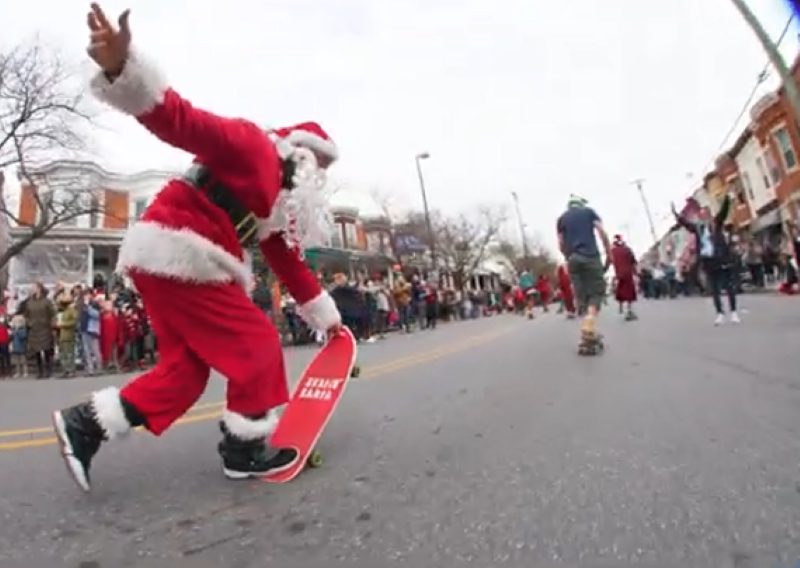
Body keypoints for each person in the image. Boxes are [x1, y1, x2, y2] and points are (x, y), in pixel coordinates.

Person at [51, 3, 342, 492]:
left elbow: (286, 263)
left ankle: (84, 426)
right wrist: (123, 69)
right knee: (257, 343)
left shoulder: (271, 209)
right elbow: (181, 120)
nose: (318, 178)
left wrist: (328, 320)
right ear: (297, 150)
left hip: (174, 262)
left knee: (184, 375)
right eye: (318, 165)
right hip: (181, 251)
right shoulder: (252, 145)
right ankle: (244, 450)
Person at [671, 196, 738, 325]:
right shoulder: (698, 229)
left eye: (705, 215)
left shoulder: (716, 224)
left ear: (709, 215)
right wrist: (676, 214)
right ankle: (720, 314)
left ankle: (734, 312)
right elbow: (686, 224)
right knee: (714, 290)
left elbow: (724, 211)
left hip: (722, 259)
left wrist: (727, 198)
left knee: (729, 287)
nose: (703, 218)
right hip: (709, 262)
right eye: (701, 216)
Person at [556, 195, 611, 345]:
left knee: (581, 296)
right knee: (596, 292)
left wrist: (568, 257)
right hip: (590, 256)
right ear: (580, 204)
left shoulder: (561, 219)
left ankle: (588, 330)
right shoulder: (588, 212)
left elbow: (560, 243)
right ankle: (588, 327)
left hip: (572, 259)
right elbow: (601, 232)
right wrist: (608, 252)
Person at [610, 234, 638, 320]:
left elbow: (609, 261)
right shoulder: (627, 250)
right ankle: (629, 312)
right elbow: (633, 262)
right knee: (629, 293)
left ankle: (621, 306)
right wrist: (636, 273)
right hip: (627, 274)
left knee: (620, 290)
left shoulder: (612, 251)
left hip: (619, 275)